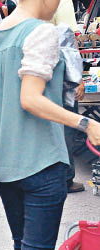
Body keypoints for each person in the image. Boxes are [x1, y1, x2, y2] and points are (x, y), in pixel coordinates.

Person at [0, 0, 100, 249]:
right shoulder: (42, 30)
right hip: (41, 161)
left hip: (3, 162)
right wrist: (86, 123)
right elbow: (30, 98)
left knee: (21, 243)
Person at [52, 0, 86, 193]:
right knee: (66, 125)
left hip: (35, 74)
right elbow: (68, 43)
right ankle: (65, 179)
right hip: (61, 74)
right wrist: (78, 78)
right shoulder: (62, 2)